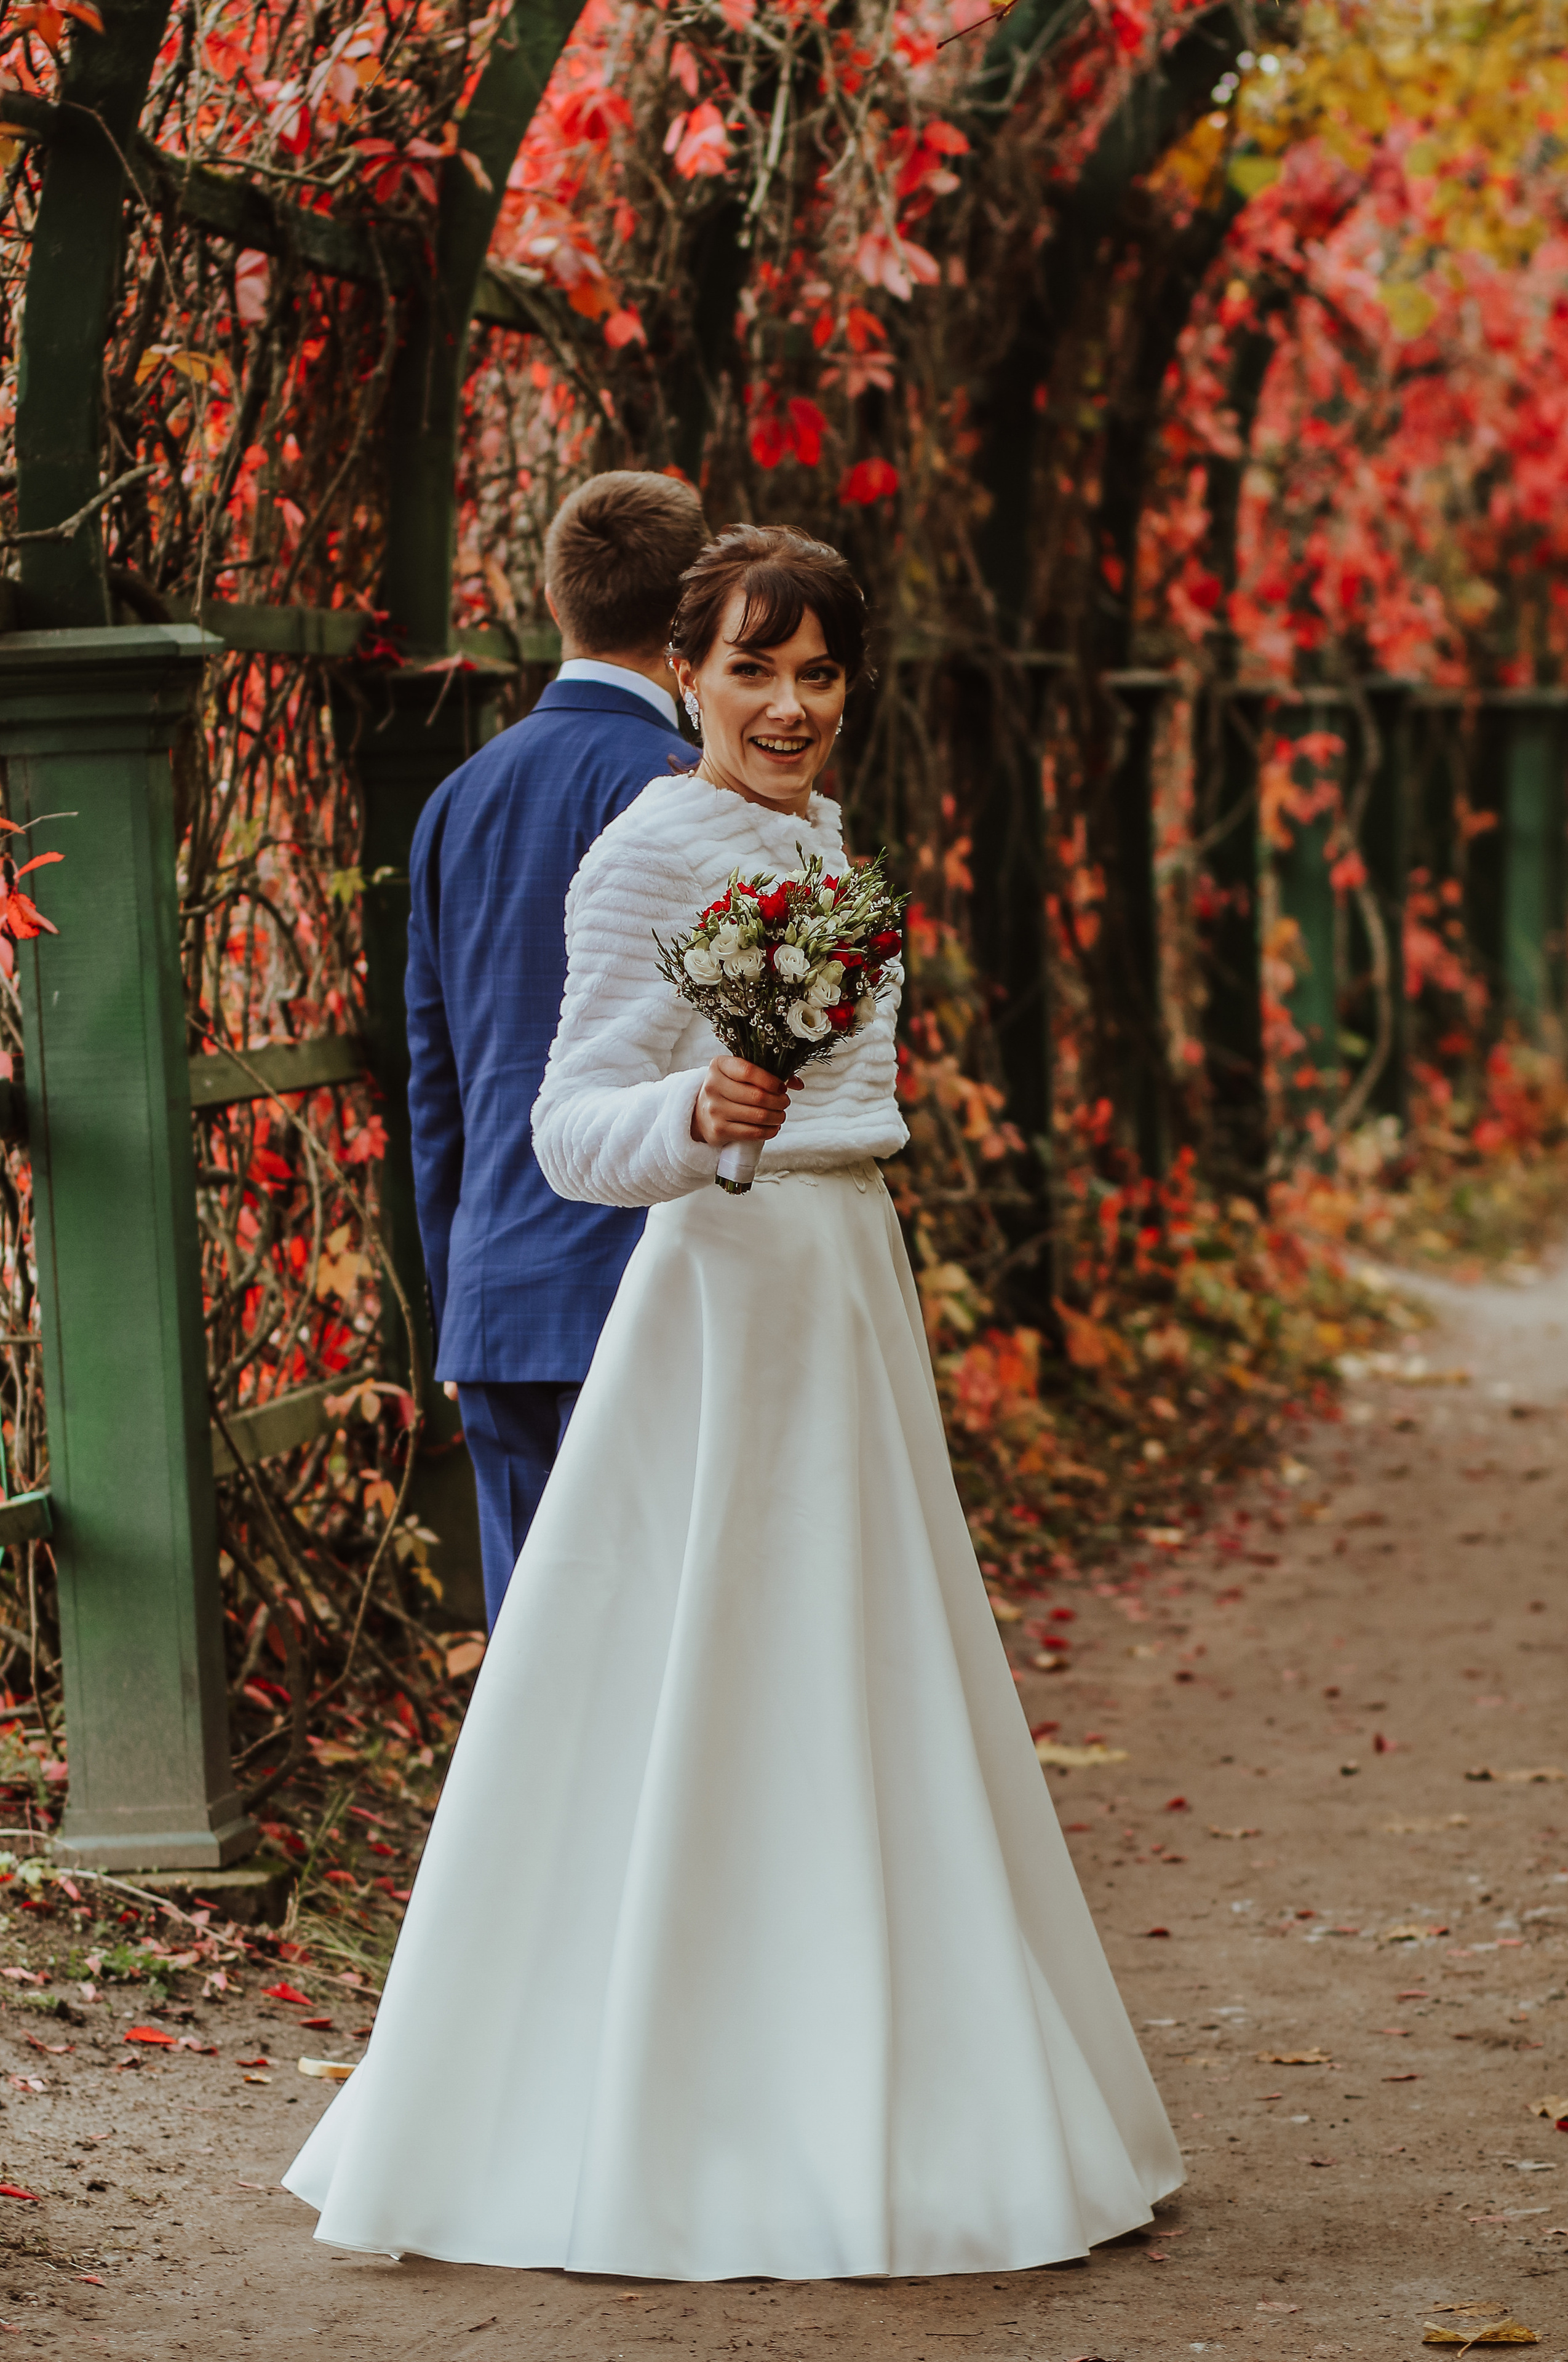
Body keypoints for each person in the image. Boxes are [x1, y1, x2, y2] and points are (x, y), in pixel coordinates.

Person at [285, 524, 1183, 2279]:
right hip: (725, 1286)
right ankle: (679, 2103)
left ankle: (910, 2075)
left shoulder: (819, 841)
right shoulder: (648, 844)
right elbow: (563, 1125)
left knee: (867, 1668)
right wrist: (703, 1112)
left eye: (819, 673)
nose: (788, 705)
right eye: (754, 669)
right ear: (683, 671)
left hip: (846, 1282)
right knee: (708, 1670)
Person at [405, 470, 706, 1630]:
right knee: (673, 1657)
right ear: (693, 620)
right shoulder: (687, 796)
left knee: (542, 1661)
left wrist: (459, 1294)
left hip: (499, 1302)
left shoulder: (456, 801)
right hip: (655, 1288)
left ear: (555, 597)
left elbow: (439, 1090)